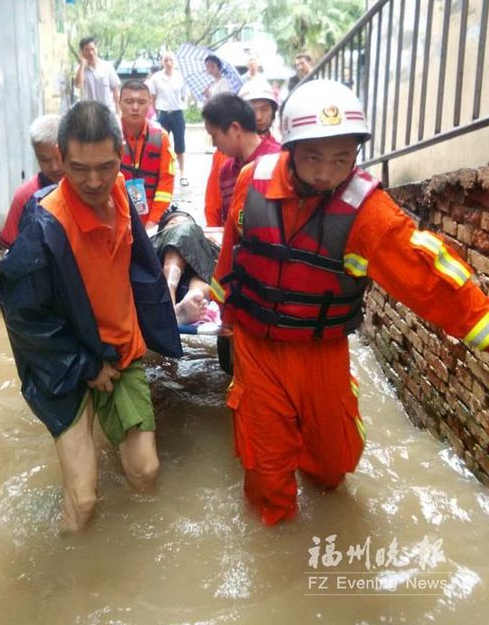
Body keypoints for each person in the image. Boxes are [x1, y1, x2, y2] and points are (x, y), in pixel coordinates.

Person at [210, 80, 489, 526]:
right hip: (256, 347)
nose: (326, 173)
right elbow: (234, 251)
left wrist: (484, 327)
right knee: (266, 472)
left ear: (356, 154)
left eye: (341, 159)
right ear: (289, 149)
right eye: (314, 157)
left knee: (332, 466)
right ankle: (278, 553)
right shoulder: (252, 182)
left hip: (322, 353)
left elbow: (430, 275)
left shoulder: (368, 212)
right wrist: (225, 309)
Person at [0, 101, 181, 532]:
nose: (94, 181)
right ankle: (70, 577)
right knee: (82, 501)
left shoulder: (122, 195)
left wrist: (157, 331)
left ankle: (136, 561)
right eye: (79, 168)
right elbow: (24, 319)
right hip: (64, 363)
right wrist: (86, 365)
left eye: (106, 166)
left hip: (119, 350)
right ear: (59, 158)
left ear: (121, 155)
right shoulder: (43, 225)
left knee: (145, 473)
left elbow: (140, 270)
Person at [202, 93, 280, 226]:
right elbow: (233, 222)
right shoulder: (227, 170)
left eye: (214, 136)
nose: (214, 144)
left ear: (235, 129)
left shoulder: (277, 160)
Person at [0, 114, 63, 248]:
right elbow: (9, 247)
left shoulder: (85, 189)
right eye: (45, 160)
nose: (54, 167)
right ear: (36, 155)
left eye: (59, 158)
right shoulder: (25, 195)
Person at [119, 79, 175, 230]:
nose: (135, 107)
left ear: (150, 103)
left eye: (141, 102)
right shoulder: (109, 137)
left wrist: (152, 223)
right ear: (119, 103)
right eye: (129, 101)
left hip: (152, 223)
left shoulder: (161, 138)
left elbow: (166, 184)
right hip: (117, 221)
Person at [151, 205, 220, 325]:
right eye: (173, 223)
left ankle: (193, 298)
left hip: (197, 271)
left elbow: (239, 219)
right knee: (181, 236)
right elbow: (215, 209)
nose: (180, 225)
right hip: (167, 263)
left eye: (185, 223)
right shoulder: (158, 239)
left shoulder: (202, 241)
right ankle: (169, 307)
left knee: (203, 267)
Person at [148, 52, 189, 186]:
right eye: (166, 60)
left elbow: (184, 96)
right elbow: (152, 97)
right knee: (160, 145)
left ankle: (183, 173)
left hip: (177, 113)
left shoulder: (180, 77)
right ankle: (160, 173)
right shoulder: (156, 78)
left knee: (180, 145)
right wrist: (157, 112)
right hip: (163, 114)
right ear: (162, 62)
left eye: (171, 60)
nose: (168, 63)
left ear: (174, 61)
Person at [74, 36, 121, 114]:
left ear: (97, 49)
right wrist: (82, 64)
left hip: (107, 111)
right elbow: (78, 85)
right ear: (82, 52)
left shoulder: (107, 66)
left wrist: (118, 111)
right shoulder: (80, 69)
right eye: (87, 50)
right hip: (89, 113)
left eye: (92, 49)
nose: (90, 53)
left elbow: (115, 88)